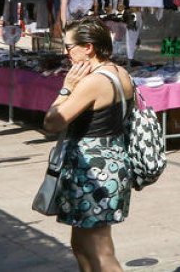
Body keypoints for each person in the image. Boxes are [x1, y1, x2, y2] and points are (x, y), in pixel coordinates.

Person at [44, 19, 135, 272]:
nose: (65, 52)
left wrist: (66, 88)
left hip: (93, 171)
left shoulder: (93, 82)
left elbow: (52, 122)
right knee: (82, 244)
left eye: (69, 46)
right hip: (109, 162)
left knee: (100, 251)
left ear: (88, 48)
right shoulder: (121, 73)